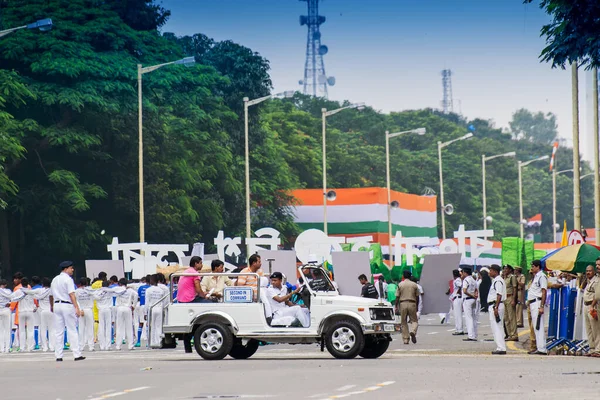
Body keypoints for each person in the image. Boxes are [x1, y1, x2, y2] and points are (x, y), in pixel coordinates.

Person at [51, 261, 85, 361]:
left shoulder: (55, 279)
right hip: (67, 305)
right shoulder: (68, 279)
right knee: (72, 329)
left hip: (57, 305)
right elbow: (71, 295)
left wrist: (52, 306)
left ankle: (58, 355)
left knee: (59, 331)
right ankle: (76, 354)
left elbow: (51, 295)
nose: (72, 270)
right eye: (71, 268)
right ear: (65, 269)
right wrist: (77, 308)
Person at [527, 260, 548, 355]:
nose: (532, 268)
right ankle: (539, 347)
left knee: (539, 326)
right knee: (536, 327)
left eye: (533, 266)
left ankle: (542, 348)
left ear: (538, 267)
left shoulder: (542, 276)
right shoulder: (536, 276)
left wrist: (541, 306)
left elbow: (544, 292)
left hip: (537, 303)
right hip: (532, 303)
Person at [28, 278, 54, 352]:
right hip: (50, 310)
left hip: (42, 311)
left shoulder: (40, 290)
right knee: (51, 329)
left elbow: (30, 292)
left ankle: (44, 347)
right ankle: (52, 346)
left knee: (43, 329)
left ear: (43, 284)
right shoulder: (52, 290)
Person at [11, 277, 36, 352]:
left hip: (21, 312)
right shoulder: (31, 291)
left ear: (21, 283)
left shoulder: (18, 291)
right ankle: (30, 347)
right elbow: (35, 301)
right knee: (30, 330)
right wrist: (34, 307)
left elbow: (12, 298)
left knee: (21, 330)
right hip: (30, 312)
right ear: (28, 284)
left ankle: (22, 347)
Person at [395, 271, 419, 344]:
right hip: (412, 303)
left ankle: (406, 339)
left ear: (403, 276)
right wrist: (417, 306)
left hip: (403, 304)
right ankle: (413, 331)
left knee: (403, 321)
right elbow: (417, 296)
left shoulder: (400, 284)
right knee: (414, 320)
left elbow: (397, 297)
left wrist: (396, 306)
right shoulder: (414, 285)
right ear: (410, 276)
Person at [113, 279, 137, 350]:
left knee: (119, 327)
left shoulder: (118, 290)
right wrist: (134, 305)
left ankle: (118, 345)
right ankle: (130, 345)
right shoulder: (130, 291)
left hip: (120, 308)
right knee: (129, 327)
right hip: (128, 308)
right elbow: (136, 294)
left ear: (120, 284)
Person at [488, 265, 506, 355]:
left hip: (496, 305)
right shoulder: (496, 280)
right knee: (497, 327)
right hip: (496, 305)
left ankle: (501, 348)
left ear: (495, 271)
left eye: (490, 270)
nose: (489, 272)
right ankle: (500, 346)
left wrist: (496, 307)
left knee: (497, 327)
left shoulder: (498, 280)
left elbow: (499, 295)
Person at [145, 274, 167, 348]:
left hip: (152, 308)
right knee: (158, 326)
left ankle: (152, 342)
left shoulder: (148, 290)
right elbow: (163, 301)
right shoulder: (161, 290)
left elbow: (147, 302)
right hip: (159, 308)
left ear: (152, 281)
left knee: (152, 326)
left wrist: (146, 313)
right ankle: (158, 342)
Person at [582, 265, 600, 356]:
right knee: (589, 329)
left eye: (590, 271)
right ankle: (592, 349)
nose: (588, 272)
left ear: (593, 272)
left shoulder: (596, 281)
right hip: (586, 305)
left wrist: (592, 306)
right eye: (587, 271)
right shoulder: (588, 281)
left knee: (595, 328)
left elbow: (596, 295)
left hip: (592, 306)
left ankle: (598, 349)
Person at [92, 281, 113, 351]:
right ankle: (108, 345)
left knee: (101, 327)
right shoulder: (110, 291)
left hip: (100, 310)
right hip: (108, 309)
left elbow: (94, 296)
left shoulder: (97, 291)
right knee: (108, 327)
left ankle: (102, 345)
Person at [75, 278, 94, 352]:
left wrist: (79, 309)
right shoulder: (90, 289)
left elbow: (75, 301)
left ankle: (81, 346)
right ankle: (91, 346)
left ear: (79, 283)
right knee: (90, 328)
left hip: (81, 310)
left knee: (81, 328)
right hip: (89, 309)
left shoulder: (76, 291)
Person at [461, 267, 478, 341]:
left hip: (467, 299)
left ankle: (470, 335)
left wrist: (471, 295)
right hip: (473, 300)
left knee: (468, 318)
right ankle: (474, 334)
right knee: (473, 317)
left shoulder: (466, 280)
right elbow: (476, 289)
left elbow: (464, 291)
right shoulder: (473, 280)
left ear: (465, 272)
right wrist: (475, 296)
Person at [503, 265, 518, 341]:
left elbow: (515, 288)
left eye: (506, 269)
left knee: (512, 317)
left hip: (510, 297)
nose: (505, 270)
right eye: (504, 269)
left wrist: (513, 299)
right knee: (506, 318)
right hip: (504, 298)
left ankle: (514, 335)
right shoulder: (504, 277)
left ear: (510, 270)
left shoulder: (512, 277)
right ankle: (509, 334)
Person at [135, 275, 151, 347]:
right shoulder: (151, 288)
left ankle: (138, 341)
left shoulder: (141, 288)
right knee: (148, 324)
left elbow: (138, 296)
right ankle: (148, 342)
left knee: (140, 323)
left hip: (141, 306)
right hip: (149, 307)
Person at [0, 280, 13, 353]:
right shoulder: (8, 291)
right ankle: (7, 348)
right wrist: (9, 303)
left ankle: (1, 348)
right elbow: (11, 298)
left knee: (1, 330)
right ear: (5, 285)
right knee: (7, 330)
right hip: (6, 310)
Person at [450, 269, 464, 335]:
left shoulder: (457, 280)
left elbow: (460, 286)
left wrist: (459, 291)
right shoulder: (457, 279)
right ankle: (458, 329)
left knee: (458, 315)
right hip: (456, 298)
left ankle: (460, 330)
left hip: (457, 298)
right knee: (457, 314)